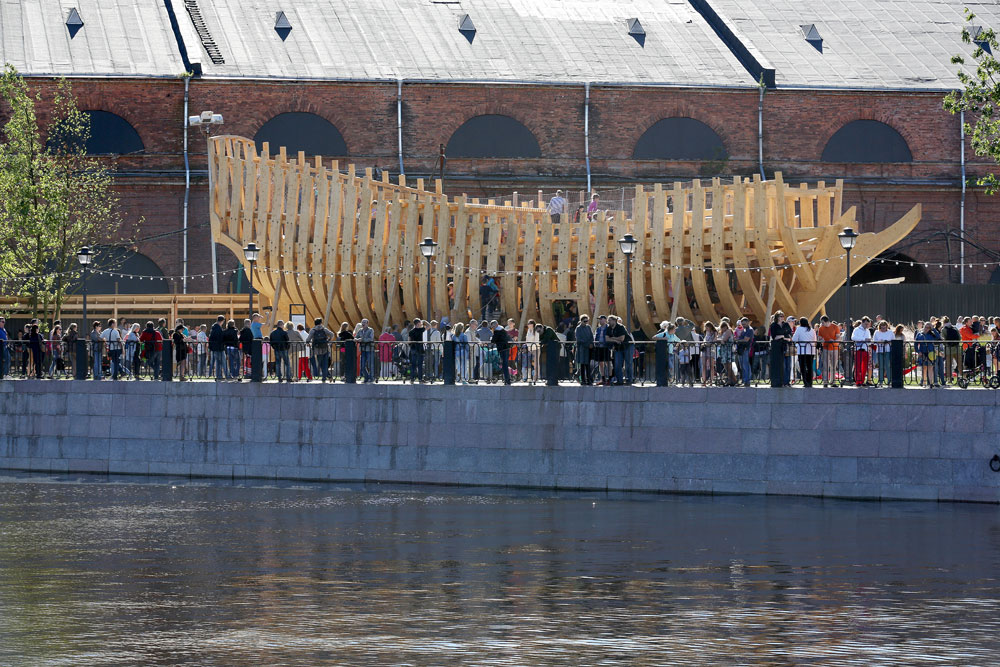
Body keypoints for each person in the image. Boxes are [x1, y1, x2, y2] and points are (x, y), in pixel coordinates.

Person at [792, 317, 817, 387]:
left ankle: (805, 382)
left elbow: (794, 339)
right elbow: (815, 340)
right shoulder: (812, 330)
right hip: (811, 351)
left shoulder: (799, 329)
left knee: (802, 367)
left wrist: (797, 343)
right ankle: (810, 382)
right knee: (810, 367)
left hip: (802, 351)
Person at [605, 315, 630, 385]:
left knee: (628, 363)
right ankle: (620, 381)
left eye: (609, 320)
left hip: (627, 346)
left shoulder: (620, 327)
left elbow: (622, 338)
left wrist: (612, 338)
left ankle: (629, 380)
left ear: (614, 321)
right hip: (618, 347)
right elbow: (606, 339)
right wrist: (616, 340)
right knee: (617, 365)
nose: (608, 322)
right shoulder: (609, 328)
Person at [768, 312, 790, 387]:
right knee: (777, 365)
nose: (782, 317)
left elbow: (789, 335)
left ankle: (785, 382)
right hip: (776, 347)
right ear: (777, 317)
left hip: (784, 346)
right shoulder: (773, 325)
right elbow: (774, 337)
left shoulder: (785, 324)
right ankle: (776, 382)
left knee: (786, 365)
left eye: (783, 316)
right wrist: (783, 336)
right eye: (780, 316)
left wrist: (782, 337)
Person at [915, 321, 939, 387]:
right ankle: (924, 382)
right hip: (922, 352)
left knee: (930, 368)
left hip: (930, 352)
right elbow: (916, 343)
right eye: (926, 327)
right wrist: (918, 351)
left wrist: (933, 329)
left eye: (929, 327)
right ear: (924, 326)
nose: (927, 328)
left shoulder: (932, 334)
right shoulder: (919, 334)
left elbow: (938, 337)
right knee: (924, 368)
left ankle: (931, 383)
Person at [851, 317, 873, 386]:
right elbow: (853, 338)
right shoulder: (856, 329)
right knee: (858, 366)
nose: (867, 326)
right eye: (866, 324)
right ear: (862, 322)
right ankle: (858, 381)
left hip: (866, 349)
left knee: (864, 367)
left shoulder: (867, 331)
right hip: (858, 350)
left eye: (868, 324)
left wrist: (869, 341)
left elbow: (868, 341)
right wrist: (864, 339)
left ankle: (862, 381)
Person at [872, 320, 894, 385]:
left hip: (887, 350)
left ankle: (889, 380)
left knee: (888, 365)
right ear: (879, 327)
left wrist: (887, 342)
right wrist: (879, 342)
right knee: (880, 366)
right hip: (880, 350)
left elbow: (893, 341)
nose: (883, 329)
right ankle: (880, 381)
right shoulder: (876, 332)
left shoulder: (890, 332)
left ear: (887, 327)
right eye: (882, 328)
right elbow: (874, 341)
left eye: (884, 327)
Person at [490, 320, 512, 385]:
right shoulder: (503, 330)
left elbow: (493, 340)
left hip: (502, 349)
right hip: (506, 348)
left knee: (504, 365)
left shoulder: (497, 331)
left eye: (493, 326)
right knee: (505, 364)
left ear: (495, 325)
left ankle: (507, 380)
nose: (492, 328)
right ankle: (507, 380)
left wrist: (491, 337)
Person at [575, 315, 594, 385]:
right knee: (582, 365)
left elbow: (592, 336)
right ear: (581, 321)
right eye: (584, 321)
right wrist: (587, 344)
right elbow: (579, 339)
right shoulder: (578, 328)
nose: (586, 322)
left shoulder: (588, 327)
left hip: (588, 349)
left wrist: (591, 343)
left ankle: (589, 380)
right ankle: (583, 380)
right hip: (582, 349)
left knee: (588, 365)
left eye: (587, 321)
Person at [358, 318, 375, 382]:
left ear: (367, 324)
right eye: (362, 322)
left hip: (369, 349)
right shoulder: (360, 330)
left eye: (364, 322)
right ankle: (366, 377)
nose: (363, 324)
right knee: (362, 365)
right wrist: (356, 339)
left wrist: (362, 340)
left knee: (370, 364)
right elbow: (356, 337)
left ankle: (371, 377)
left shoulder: (370, 330)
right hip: (363, 349)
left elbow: (371, 339)